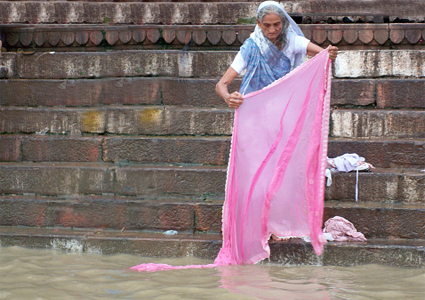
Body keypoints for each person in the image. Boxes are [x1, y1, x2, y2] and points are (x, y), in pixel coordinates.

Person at [216, 1, 338, 108]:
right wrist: (228, 97)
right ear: (259, 23)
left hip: (282, 105)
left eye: (277, 24)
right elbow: (221, 84)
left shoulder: (291, 40)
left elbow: (323, 53)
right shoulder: (251, 47)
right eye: (267, 25)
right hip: (254, 107)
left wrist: (329, 53)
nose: (272, 29)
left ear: (283, 22)